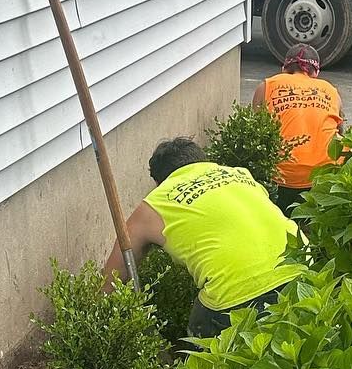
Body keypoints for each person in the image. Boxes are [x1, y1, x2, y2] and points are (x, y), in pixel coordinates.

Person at [104, 138, 301, 339]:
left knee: (198, 345)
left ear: (158, 182)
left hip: (234, 299)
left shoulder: (155, 203)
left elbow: (113, 277)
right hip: (303, 271)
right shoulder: (241, 174)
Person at [250, 47, 343, 208]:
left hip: (283, 178)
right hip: (326, 178)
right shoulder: (330, 90)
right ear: (316, 72)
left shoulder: (267, 86)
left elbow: (256, 133)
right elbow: (341, 131)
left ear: (284, 69)